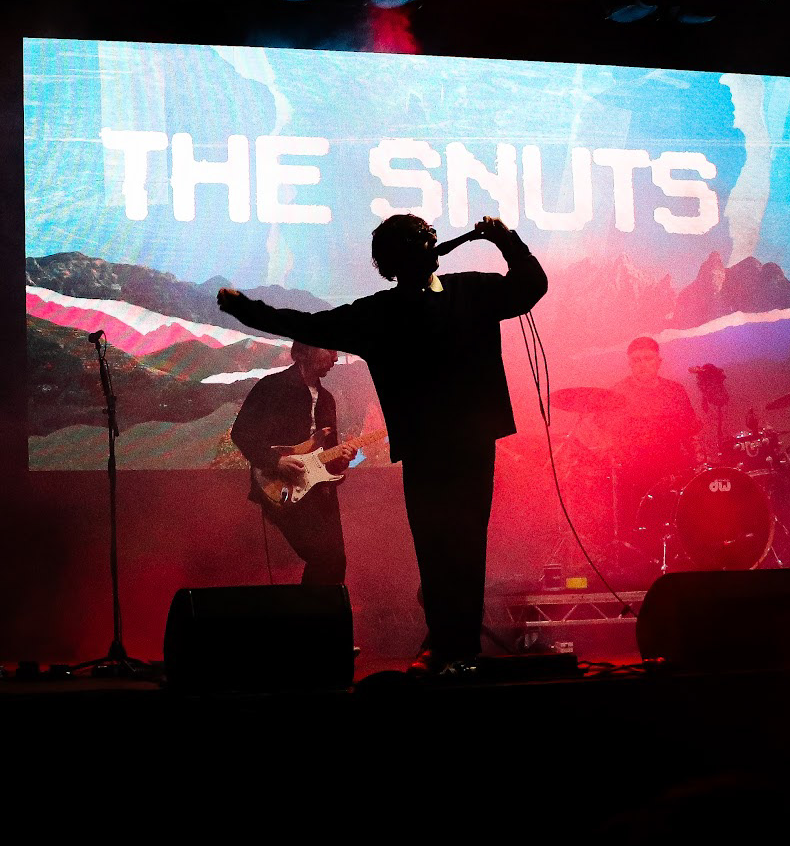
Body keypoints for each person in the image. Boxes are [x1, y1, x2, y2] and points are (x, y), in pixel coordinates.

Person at [218, 214, 548, 673]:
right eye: (419, 240)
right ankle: (452, 648)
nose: (429, 244)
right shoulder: (402, 307)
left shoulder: (462, 292)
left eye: (427, 238)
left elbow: (531, 286)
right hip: (437, 447)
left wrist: (505, 239)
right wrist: (245, 310)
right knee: (445, 547)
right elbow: (308, 325)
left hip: (459, 443)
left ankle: (456, 649)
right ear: (400, 259)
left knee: (457, 546)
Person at [230, 341, 356, 586]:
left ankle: (318, 609)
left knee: (335, 560)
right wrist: (275, 462)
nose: (335, 358)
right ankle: (310, 609)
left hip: (319, 489)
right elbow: (241, 433)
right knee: (324, 557)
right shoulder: (272, 387)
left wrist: (341, 460)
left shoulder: (327, 399)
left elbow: (328, 456)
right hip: (282, 486)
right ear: (304, 351)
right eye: (329, 350)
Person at [600, 336, 705, 547]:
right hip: (634, 473)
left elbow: (691, 430)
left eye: (647, 359)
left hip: (675, 468)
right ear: (629, 364)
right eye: (636, 360)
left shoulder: (675, 391)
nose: (642, 364)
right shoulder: (617, 393)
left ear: (659, 362)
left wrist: (700, 461)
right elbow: (606, 434)